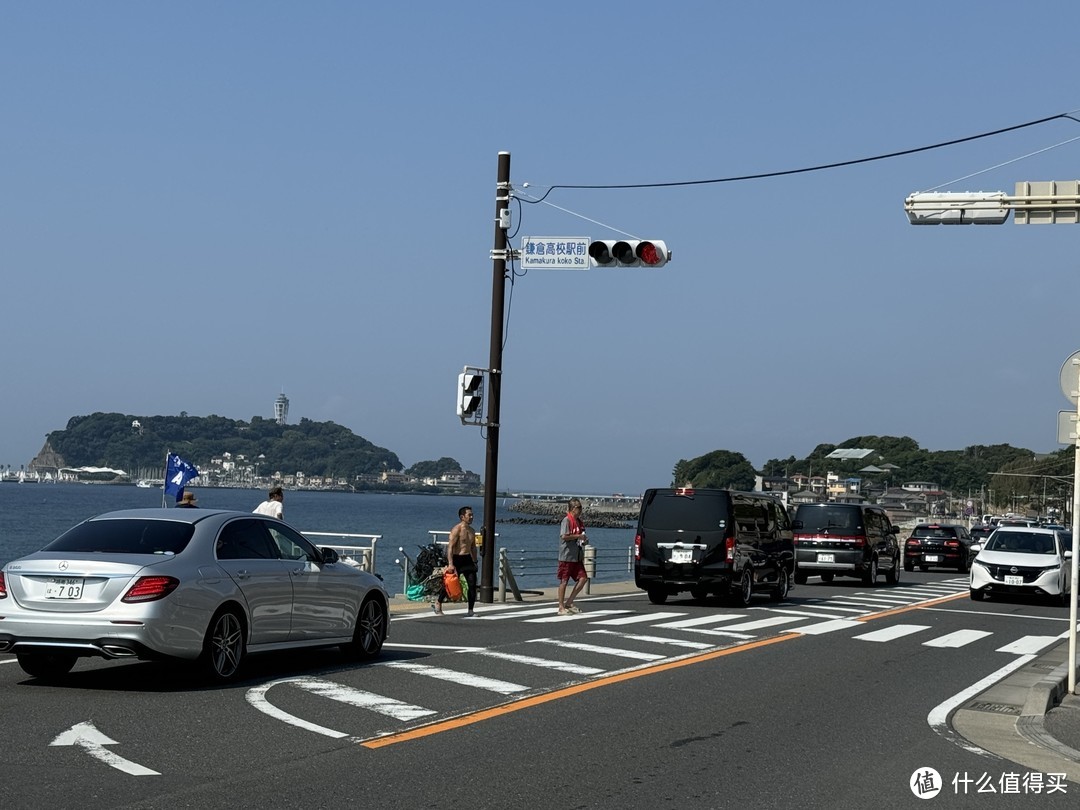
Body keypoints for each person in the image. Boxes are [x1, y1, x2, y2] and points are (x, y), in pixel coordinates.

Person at [433, 506, 478, 617]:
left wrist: (475, 561)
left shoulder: (472, 531)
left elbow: (473, 548)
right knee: (450, 583)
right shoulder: (456, 529)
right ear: (462, 517)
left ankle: (470, 610)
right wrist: (450, 564)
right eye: (469, 515)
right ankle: (438, 603)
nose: (471, 517)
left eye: (472, 515)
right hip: (456, 558)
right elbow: (450, 547)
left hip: (467, 559)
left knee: (472, 584)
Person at [557, 497, 589, 615]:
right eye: (579, 508)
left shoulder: (580, 522)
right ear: (573, 508)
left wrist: (584, 540)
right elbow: (564, 536)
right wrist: (578, 536)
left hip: (577, 556)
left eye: (581, 508)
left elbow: (581, 535)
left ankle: (569, 602)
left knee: (583, 578)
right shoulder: (567, 520)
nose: (580, 510)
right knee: (564, 581)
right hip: (566, 556)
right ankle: (561, 607)